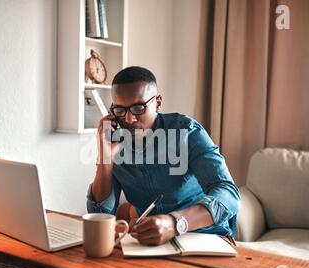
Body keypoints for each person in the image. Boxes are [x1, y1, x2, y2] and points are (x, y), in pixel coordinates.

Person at [86, 66, 240, 246]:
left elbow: (229, 195)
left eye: (138, 107)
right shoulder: (114, 143)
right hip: (152, 243)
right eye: (120, 110)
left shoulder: (186, 131)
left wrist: (175, 223)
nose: (129, 120)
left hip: (205, 236)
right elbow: (101, 216)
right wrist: (105, 160)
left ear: (158, 102)